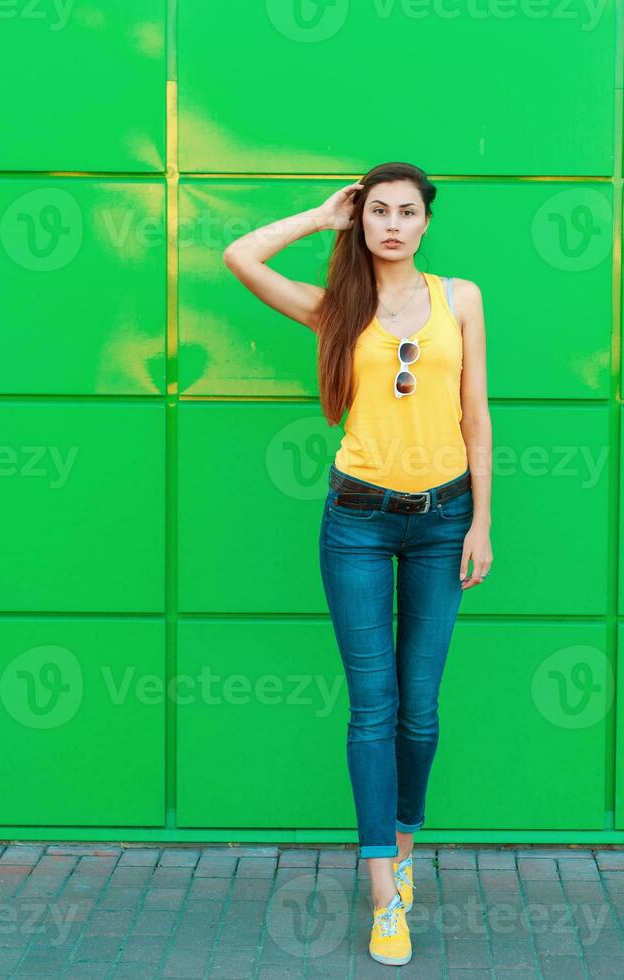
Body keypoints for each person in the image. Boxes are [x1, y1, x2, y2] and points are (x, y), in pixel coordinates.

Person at [223, 162, 493, 966]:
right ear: (362, 219)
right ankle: (384, 894)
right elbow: (241, 256)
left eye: (407, 212)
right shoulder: (334, 308)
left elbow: (476, 417)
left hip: (444, 522)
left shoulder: (462, 299)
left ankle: (404, 839)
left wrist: (482, 521)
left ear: (425, 223)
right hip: (358, 525)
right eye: (378, 212)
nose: (393, 226)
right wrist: (317, 215)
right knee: (372, 708)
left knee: (421, 709)